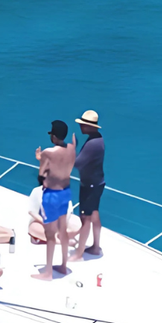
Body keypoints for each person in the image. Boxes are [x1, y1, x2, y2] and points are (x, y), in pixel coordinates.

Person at [34, 119, 76, 278]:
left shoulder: (47, 153)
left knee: (50, 234)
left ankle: (48, 272)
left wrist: (40, 158)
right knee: (63, 231)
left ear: (54, 136)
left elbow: (41, 175)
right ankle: (64, 266)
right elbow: (62, 164)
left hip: (51, 195)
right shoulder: (72, 149)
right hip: (65, 192)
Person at [73, 109, 105, 258]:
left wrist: (71, 150)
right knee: (94, 214)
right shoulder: (98, 138)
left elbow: (78, 163)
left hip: (90, 185)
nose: (81, 127)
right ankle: (96, 246)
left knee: (85, 217)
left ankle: (79, 254)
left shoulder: (92, 143)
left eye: (84, 125)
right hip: (96, 183)